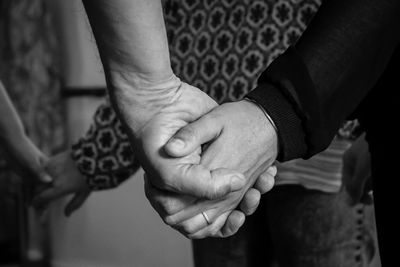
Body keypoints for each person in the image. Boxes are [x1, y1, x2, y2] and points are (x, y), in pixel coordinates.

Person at [34, 0, 378, 266]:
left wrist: (370, 131)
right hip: (209, 158)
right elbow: (156, 53)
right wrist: (92, 159)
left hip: (323, 151)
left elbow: (375, 22)